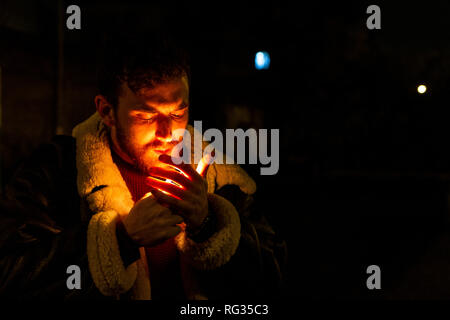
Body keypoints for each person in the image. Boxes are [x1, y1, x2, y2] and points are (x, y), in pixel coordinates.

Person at [0, 32, 287, 300]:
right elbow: (10, 275)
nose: (168, 132)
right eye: (147, 116)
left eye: (178, 112)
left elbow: (271, 277)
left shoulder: (216, 175)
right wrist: (120, 241)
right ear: (106, 111)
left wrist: (209, 225)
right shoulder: (57, 170)